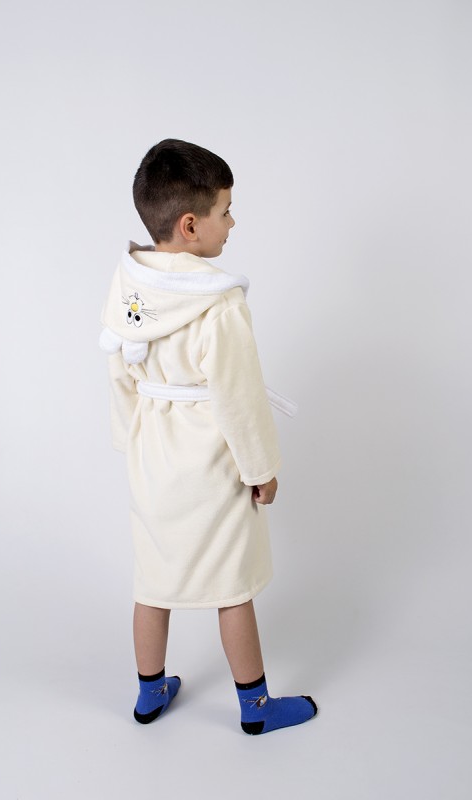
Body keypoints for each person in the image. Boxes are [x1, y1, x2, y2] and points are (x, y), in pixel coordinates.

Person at [99, 139, 317, 735]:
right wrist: (261, 469)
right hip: (209, 460)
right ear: (191, 225)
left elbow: (117, 367)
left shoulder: (129, 287)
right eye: (226, 210)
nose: (233, 222)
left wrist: (130, 439)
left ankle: (149, 693)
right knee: (232, 586)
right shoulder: (218, 304)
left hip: (152, 454)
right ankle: (256, 708)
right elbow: (239, 399)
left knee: (152, 581)